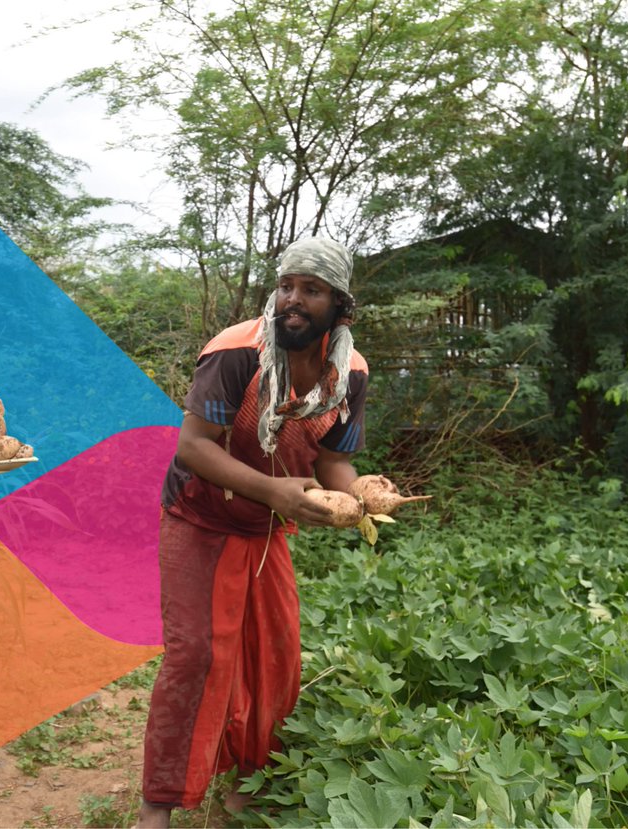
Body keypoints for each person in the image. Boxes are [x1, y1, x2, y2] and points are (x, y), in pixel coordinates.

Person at [138, 237, 368, 828]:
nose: (293, 299)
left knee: (275, 658)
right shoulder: (237, 353)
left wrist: (359, 494)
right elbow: (193, 449)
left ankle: (247, 783)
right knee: (197, 656)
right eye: (287, 285)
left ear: (340, 306)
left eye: (311, 290)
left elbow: (333, 460)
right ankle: (157, 805)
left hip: (265, 529)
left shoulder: (350, 372)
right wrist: (277, 492)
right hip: (201, 518)